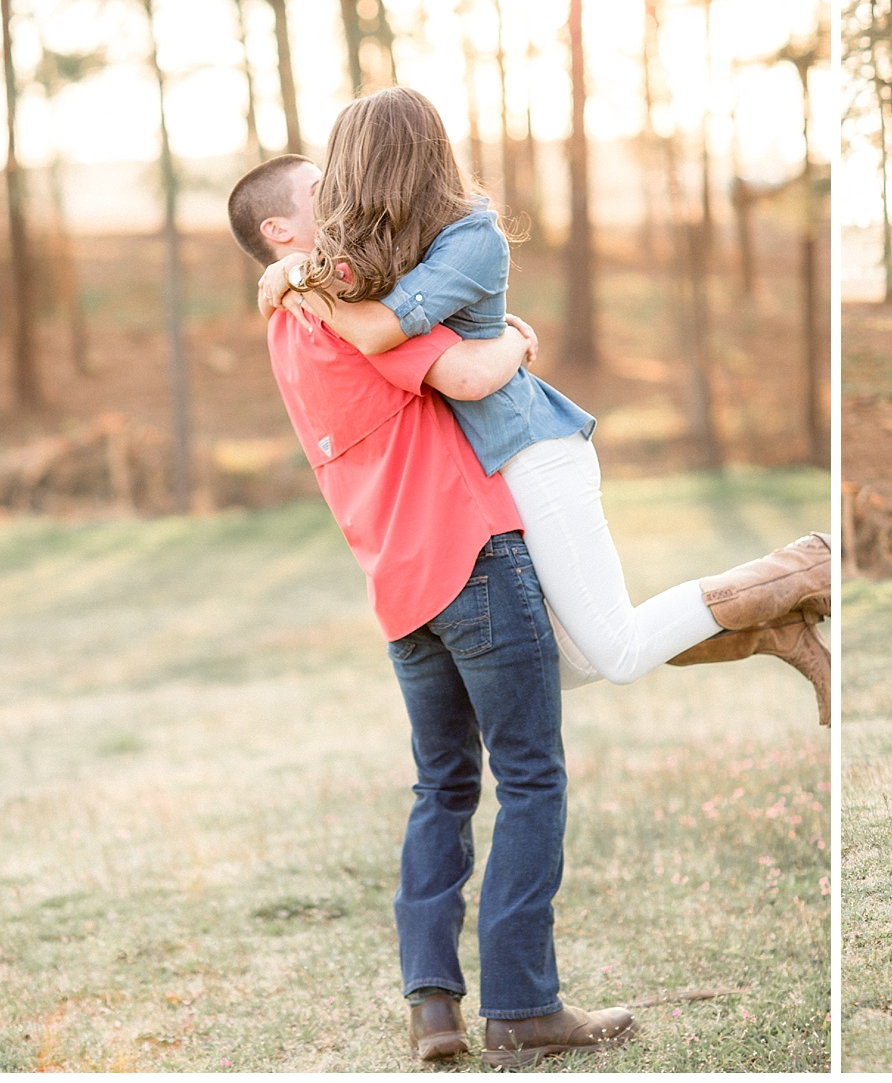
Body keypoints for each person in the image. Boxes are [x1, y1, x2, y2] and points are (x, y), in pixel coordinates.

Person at [227, 162, 633, 1065]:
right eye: (318, 193)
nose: (341, 196)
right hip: (473, 554)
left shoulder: (288, 326)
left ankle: (434, 1013)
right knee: (530, 776)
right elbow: (472, 375)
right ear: (281, 236)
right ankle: (525, 1009)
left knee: (443, 787)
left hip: (399, 590)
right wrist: (521, 336)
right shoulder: (344, 321)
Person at [248, 114, 831, 724]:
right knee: (565, 663)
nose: (339, 183)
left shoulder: (472, 234)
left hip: (530, 448)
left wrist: (292, 278)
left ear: (384, 164)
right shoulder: (392, 244)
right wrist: (291, 269)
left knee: (618, 652)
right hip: (492, 468)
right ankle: (773, 628)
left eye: (342, 168)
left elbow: (406, 348)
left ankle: (802, 565)